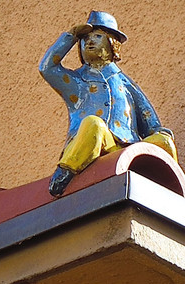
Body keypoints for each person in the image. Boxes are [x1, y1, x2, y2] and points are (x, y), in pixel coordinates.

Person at [39, 11, 177, 196]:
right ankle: (66, 171)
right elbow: (47, 68)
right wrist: (71, 36)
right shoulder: (77, 81)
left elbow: (148, 118)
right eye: (85, 38)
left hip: (126, 149)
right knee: (94, 124)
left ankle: (169, 192)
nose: (90, 41)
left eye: (98, 36)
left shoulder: (124, 83)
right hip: (90, 145)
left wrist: (158, 133)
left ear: (112, 44)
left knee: (164, 141)